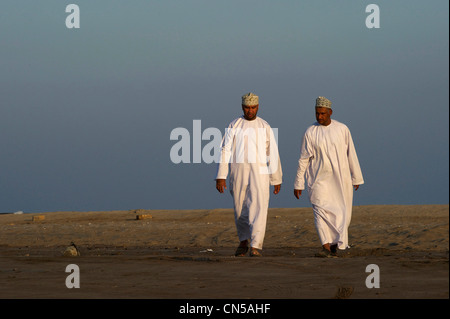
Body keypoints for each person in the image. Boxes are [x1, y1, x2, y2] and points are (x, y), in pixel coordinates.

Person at [294, 96, 364, 257]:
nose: (319, 117)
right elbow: (303, 159)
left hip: (340, 179)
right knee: (320, 210)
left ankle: (338, 245)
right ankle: (325, 246)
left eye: (323, 113)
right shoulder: (310, 132)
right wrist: (298, 183)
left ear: (330, 112)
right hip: (317, 180)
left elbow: (351, 153)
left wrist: (356, 177)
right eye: (317, 113)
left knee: (341, 213)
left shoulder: (342, 129)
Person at [216, 92, 282, 257]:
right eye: (247, 107)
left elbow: (272, 153)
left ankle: (256, 245)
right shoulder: (234, 125)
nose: (250, 111)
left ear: (258, 107)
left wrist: (276, 178)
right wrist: (220, 176)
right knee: (240, 208)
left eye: (253, 107)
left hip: (260, 174)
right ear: (242, 107)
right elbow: (225, 151)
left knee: (259, 207)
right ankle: (244, 241)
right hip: (238, 173)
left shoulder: (264, 126)